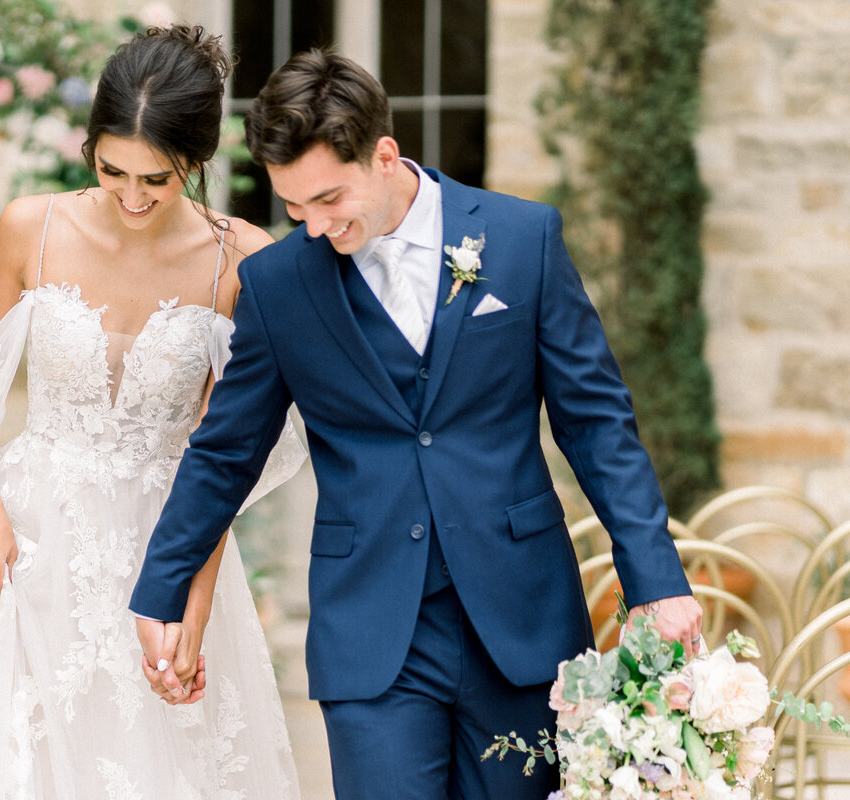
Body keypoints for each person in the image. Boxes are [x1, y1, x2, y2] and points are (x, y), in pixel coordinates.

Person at [130, 49, 704, 800]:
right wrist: (160, 590)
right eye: (294, 207)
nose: (314, 226)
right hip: (372, 632)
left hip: (523, 621)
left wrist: (656, 580)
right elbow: (226, 450)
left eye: (331, 199)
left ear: (385, 154)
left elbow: (596, 421)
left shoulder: (522, 239)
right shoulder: (276, 284)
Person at [0, 25, 305, 799]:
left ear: (198, 162)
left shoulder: (243, 258)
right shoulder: (30, 227)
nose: (134, 196)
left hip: (170, 541)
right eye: (114, 171)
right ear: (90, 147)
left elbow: (226, 452)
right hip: (36, 540)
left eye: (161, 177)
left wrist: (196, 604)